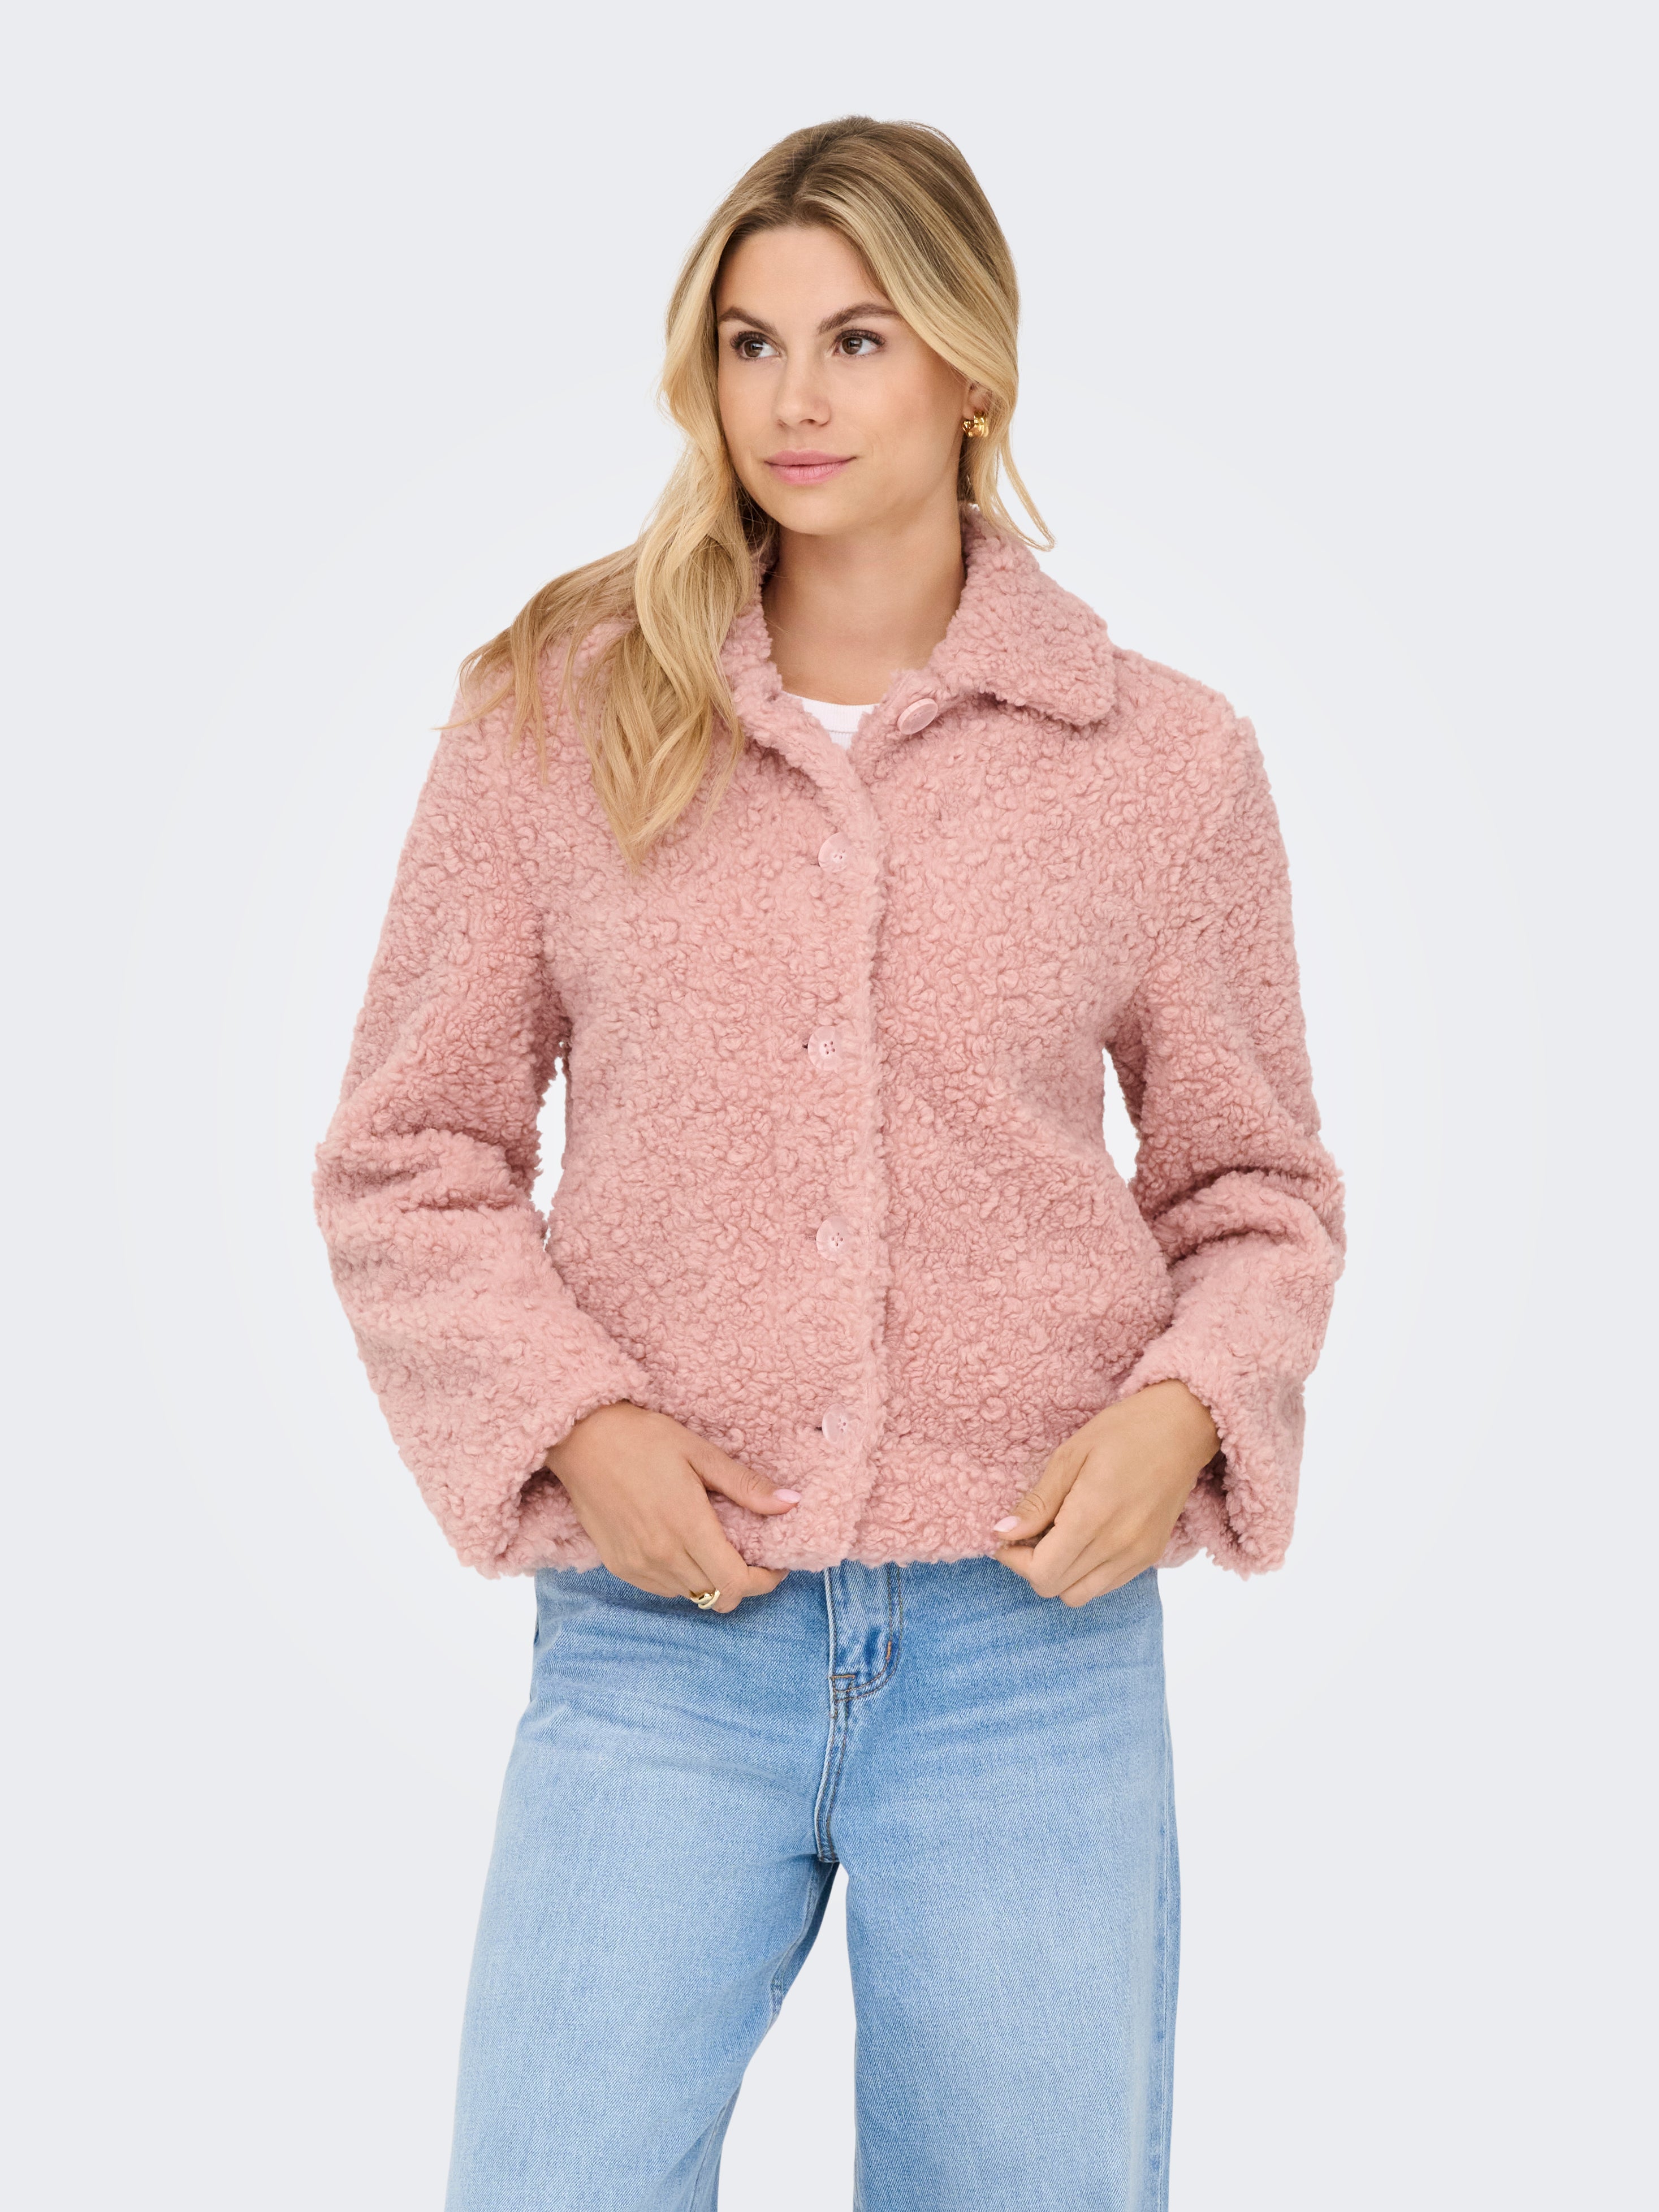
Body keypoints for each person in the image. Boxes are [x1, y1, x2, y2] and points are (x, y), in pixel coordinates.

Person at [314, 114, 1345, 2212]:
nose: (795, 396)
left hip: (1028, 1652)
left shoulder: (1162, 764)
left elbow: (1258, 1197)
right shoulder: (557, 725)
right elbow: (408, 1156)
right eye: (752, 341)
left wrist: (1186, 1408)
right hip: (659, 1640)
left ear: (972, 370)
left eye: (859, 339)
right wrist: (575, 1419)